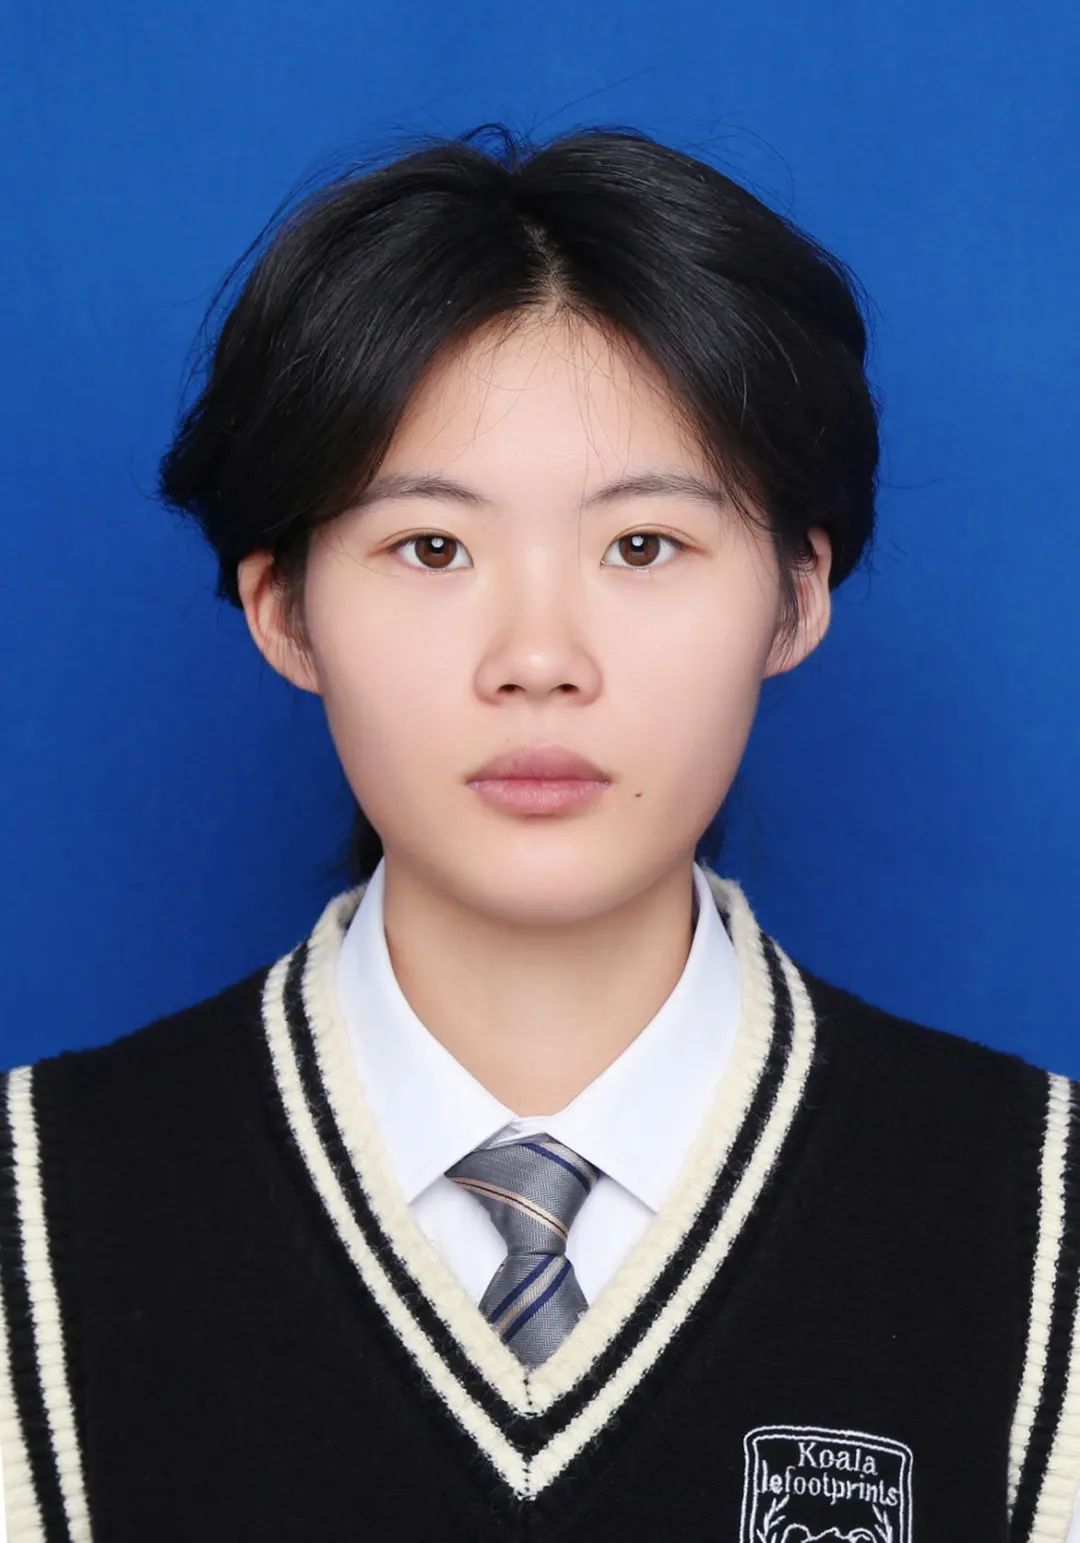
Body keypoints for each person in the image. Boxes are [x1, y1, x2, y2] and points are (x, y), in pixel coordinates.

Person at [1, 122, 1076, 1543]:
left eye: (643, 546)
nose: (538, 658)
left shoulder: (1042, 1225)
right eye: (431, 548)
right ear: (284, 610)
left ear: (797, 596)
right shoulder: (36, 1218)